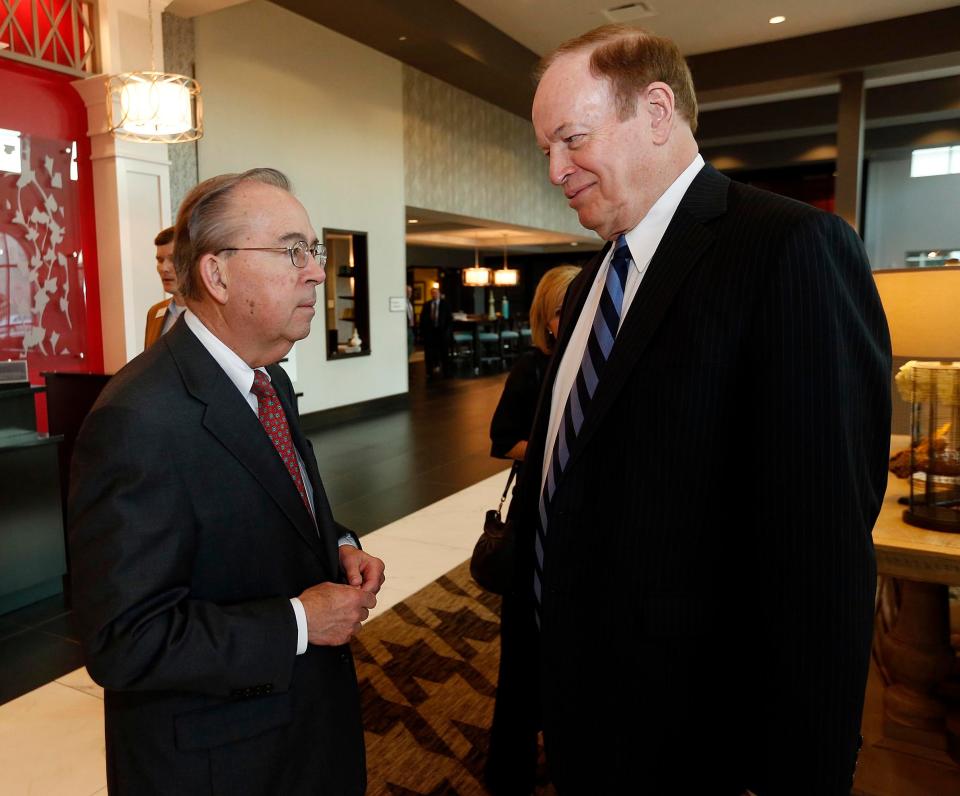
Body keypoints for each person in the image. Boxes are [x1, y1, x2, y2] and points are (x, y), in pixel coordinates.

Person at [506, 24, 892, 795]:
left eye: (571, 138)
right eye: (545, 147)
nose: (554, 169)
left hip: (700, 733)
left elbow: (821, 554)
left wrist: (803, 766)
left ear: (655, 111)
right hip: (578, 702)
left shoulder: (789, 248)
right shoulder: (587, 285)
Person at [68, 168, 385, 796]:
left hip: (300, 732)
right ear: (217, 274)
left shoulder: (269, 379)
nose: (317, 272)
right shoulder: (140, 418)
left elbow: (284, 499)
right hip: (222, 763)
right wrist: (298, 621)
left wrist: (338, 541)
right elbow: (125, 642)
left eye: (314, 251)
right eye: (293, 250)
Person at [485, 265, 579, 795]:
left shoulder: (604, 360)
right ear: (548, 319)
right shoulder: (531, 369)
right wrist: (558, 454)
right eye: (567, 310)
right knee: (523, 654)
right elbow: (502, 441)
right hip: (534, 520)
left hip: (583, 526)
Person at [144, 226, 187, 347]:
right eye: (160, 260)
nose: (164, 268)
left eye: (173, 259)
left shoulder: (212, 313)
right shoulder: (154, 313)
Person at [419, 284, 451, 380]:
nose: (434, 295)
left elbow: (449, 319)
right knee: (429, 353)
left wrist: (446, 332)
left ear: (439, 294)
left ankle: (446, 372)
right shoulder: (427, 304)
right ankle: (429, 372)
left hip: (441, 332)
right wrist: (423, 332)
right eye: (433, 293)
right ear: (431, 294)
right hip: (430, 333)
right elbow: (422, 319)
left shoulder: (445, 304)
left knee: (444, 353)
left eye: (436, 293)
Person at [406, 283, 415, 358]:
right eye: (407, 291)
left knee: (411, 345)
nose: (409, 293)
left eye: (410, 291)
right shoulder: (403, 302)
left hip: (410, 327)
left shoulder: (409, 303)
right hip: (405, 328)